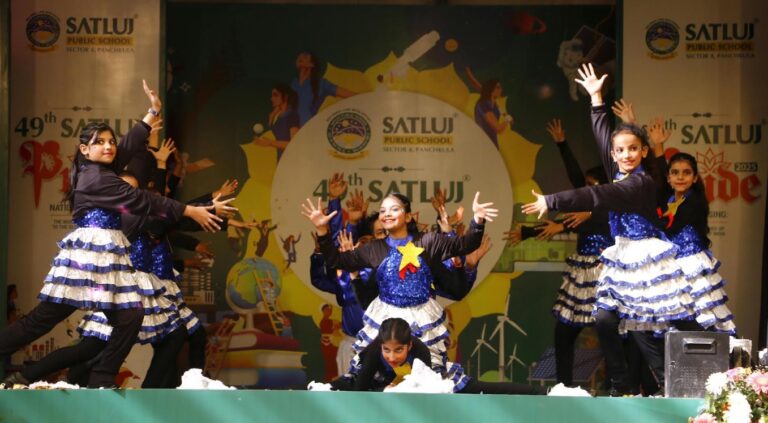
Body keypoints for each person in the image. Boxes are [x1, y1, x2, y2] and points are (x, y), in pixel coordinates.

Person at [0, 80, 223, 388]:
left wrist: (150, 114)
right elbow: (143, 200)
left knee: (131, 316)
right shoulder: (96, 179)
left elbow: (128, 145)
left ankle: (102, 380)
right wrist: (188, 210)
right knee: (42, 320)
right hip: (87, 260)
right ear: (84, 149)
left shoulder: (102, 169)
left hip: (104, 259)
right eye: (99, 142)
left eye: (109, 141)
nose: (108, 146)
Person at [521, 63, 698, 395]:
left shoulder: (641, 183)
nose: (626, 154)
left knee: (651, 326)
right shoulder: (617, 169)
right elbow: (603, 136)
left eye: (633, 149)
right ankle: (620, 386)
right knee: (604, 319)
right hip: (622, 255)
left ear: (643, 152)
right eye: (620, 151)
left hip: (646, 256)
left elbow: (595, 194)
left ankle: (671, 383)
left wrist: (552, 200)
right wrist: (596, 99)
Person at [303, 191, 496, 392]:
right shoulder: (373, 249)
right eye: (383, 211)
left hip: (421, 319)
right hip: (385, 318)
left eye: (394, 209)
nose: (387, 214)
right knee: (370, 373)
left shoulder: (429, 241)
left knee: (428, 379)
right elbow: (336, 261)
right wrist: (322, 229)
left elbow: (466, 244)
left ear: (408, 216)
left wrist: (478, 219)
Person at [650, 122, 736, 334]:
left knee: (701, 317)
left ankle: (722, 362)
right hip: (674, 265)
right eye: (675, 173)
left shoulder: (694, 201)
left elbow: (670, 227)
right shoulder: (669, 198)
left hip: (692, 265)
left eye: (686, 173)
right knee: (673, 319)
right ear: (670, 178)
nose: (680, 177)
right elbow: (659, 177)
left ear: (695, 178)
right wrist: (658, 146)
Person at [330, 317, 544, 395]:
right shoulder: (374, 354)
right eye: (387, 350)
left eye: (398, 350)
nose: (392, 356)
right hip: (375, 386)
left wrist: (401, 386)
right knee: (338, 386)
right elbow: (359, 394)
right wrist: (385, 389)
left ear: (409, 346)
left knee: (479, 388)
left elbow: (426, 389)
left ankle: (543, 391)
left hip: (420, 385)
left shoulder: (421, 351)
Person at [292, 51, 355, 126]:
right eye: (299, 56)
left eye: (305, 56)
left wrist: (369, 99)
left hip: (308, 128)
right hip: (290, 131)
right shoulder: (294, 83)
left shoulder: (321, 83)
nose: (300, 57)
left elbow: (348, 94)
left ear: (312, 64)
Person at [473, 79, 512, 148]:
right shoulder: (484, 105)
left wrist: (505, 115)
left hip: (492, 144)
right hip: (484, 145)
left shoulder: (493, 103)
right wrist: (507, 120)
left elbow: (499, 109)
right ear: (491, 90)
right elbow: (498, 129)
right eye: (498, 87)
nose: (501, 90)